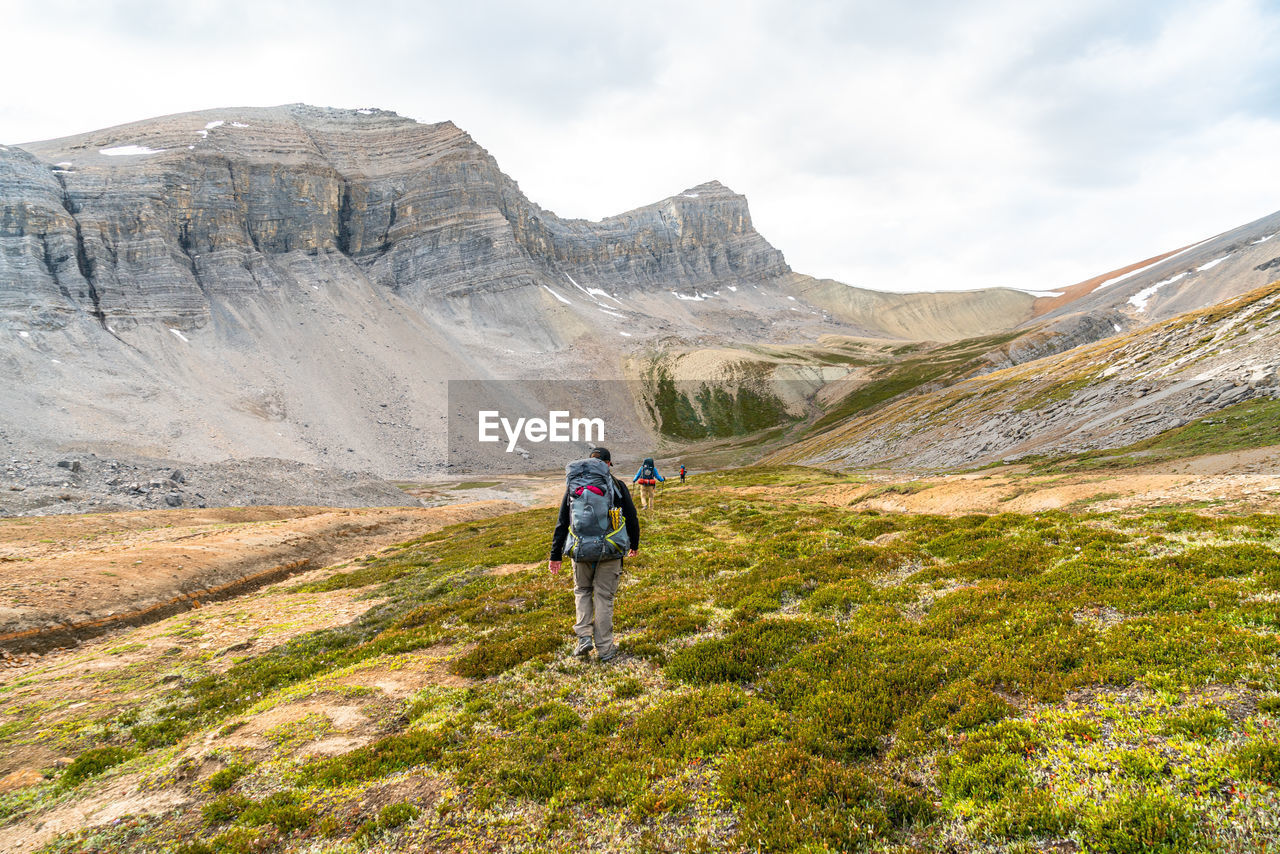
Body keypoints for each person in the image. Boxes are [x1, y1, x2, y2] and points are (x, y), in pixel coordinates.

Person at [549, 447, 639, 662]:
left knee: (582, 591)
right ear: (608, 463)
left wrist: (555, 555)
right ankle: (606, 649)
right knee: (604, 597)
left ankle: (583, 638)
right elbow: (632, 517)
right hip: (610, 550)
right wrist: (633, 545)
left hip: (580, 550)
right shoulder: (617, 485)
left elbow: (563, 521)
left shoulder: (575, 486)